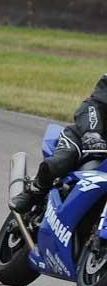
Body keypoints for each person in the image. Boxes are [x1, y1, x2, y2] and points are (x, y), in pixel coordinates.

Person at [10, 75, 107, 214]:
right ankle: (35, 193)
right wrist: (92, 133)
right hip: (86, 138)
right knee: (60, 162)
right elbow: (91, 106)